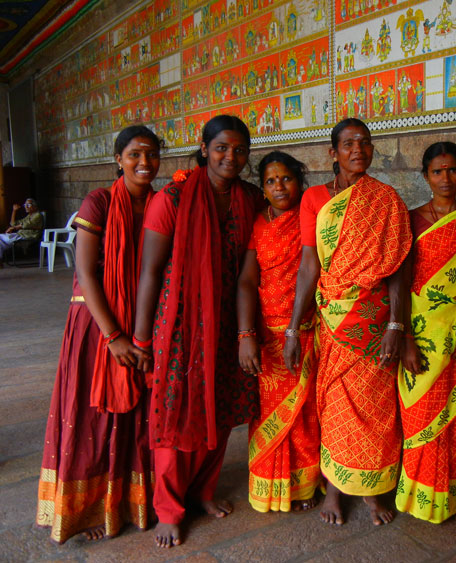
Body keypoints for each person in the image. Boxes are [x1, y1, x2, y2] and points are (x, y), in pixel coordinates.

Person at [133, 115, 261, 548]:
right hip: (181, 325)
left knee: (219, 409)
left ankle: (203, 490)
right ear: (204, 149)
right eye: (222, 147)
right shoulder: (173, 196)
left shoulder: (249, 198)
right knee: (175, 413)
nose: (231, 157)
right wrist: (141, 338)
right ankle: (168, 508)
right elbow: (150, 273)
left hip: (229, 322)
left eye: (240, 149)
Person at [283, 118, 411, 526]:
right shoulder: (316, 199)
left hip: (374, 322)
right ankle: (335, 487)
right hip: (334, 321)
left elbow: (398, 269)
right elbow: (309, 265)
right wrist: (292, 327)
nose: (359, 150)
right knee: (336, 405)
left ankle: (374, 491)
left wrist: (396, 326)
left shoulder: (387, 199)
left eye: (365, 143)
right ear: (332, 152)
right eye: (349, 144)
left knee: (378, 406)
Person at [36, 126, 160, 543]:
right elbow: (85, 274)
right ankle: (88, 510)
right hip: (97, 324)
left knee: (138, 418)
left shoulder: (161, 204)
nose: (144, 163)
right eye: (134, 155)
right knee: (94, 419)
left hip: (141, 323)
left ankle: (130, 502)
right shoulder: (101, 202)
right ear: (118, 159)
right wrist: (114, 337)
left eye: (152, 155)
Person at [396, 142, 456, 524]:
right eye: (437, 171)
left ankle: (452, 498)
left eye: (453, 170)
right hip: (420, 332)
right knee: (419, 415)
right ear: (425, 176)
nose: (446, 179)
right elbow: (399, 285)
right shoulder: (410, 220)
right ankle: (418, 497)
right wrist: (404, 335)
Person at [237, 151, 321, 513]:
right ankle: (269, 484)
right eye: (270, 181)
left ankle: (305, 485)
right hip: (267, 334)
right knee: (270, 412)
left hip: (305, 329)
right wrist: (246, 335)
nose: (279, 186)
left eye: (286, 178)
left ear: (299, 181)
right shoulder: (259, 224)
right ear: (263, 189)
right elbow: (246, 281)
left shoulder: (312, 218)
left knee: (306, 412)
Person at [0, 198, 43, 265]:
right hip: (19, 235)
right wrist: (14, 211)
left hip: (26, 236)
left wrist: (13, 228)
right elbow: (13, 223)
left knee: (0, 240)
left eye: (28, 205)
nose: (26, 207)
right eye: (25, 205)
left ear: (35, 206)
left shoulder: (38, 215)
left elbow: (25, 225)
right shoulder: (29, 216)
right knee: (1, 243)